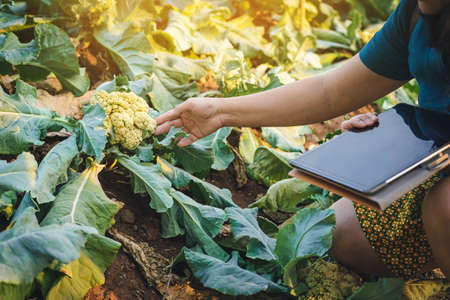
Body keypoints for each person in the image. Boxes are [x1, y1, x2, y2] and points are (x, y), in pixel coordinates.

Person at [155, 0, 450, 279]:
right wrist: (220, 112)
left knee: (443, 208)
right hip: (441, 158)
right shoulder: (415, 13)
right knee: (342, 235)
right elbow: (330, 91)